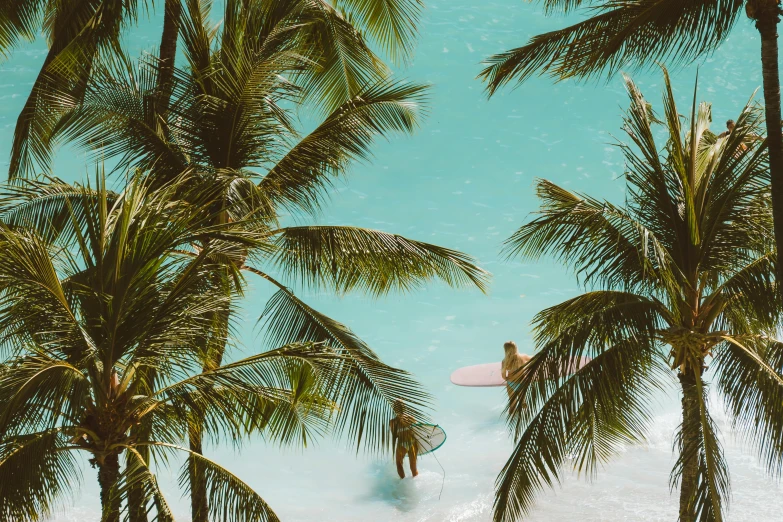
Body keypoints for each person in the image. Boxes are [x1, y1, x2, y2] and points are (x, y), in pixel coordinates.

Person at [389, 399, 418, 479]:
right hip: (412, 442)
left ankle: (403, 482)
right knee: (413, 466)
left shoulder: (392, 422)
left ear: (394, 409)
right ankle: (415, 484)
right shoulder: (411, 418)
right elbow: (416, 431)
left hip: (402, 443)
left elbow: (395, 436)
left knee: (399, 463)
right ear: (404, 408)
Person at [501, 341, 531, 415]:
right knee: (523, 401)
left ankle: (511, 419)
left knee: (512, 403)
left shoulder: (505, 361)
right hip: (522, 382)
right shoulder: (523, 357)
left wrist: (508, 378)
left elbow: (504, 376)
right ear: (516, 348)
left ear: (506, 350)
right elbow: (535, 359)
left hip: (511, 383)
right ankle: (526, 417)